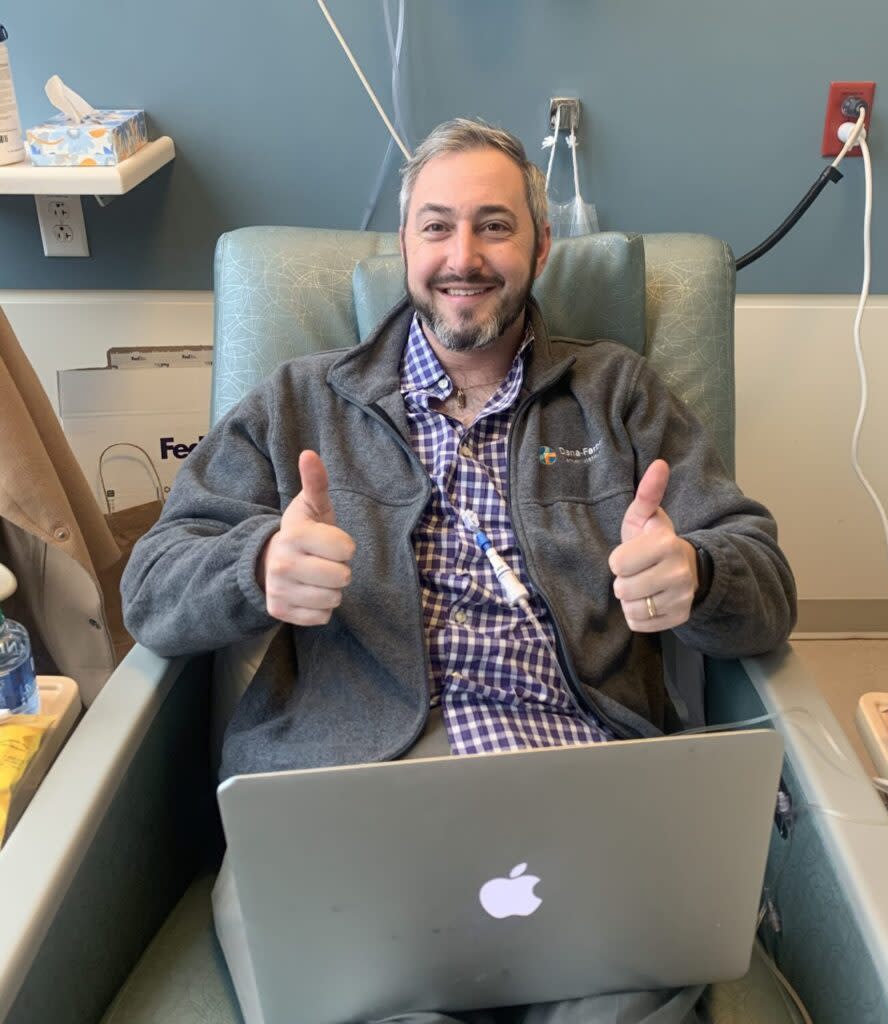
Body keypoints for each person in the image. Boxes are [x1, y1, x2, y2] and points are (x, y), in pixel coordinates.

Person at [121, 118, 797, 1024]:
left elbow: (765, 579)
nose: (463, 255)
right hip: (350, 792)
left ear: (541, 245)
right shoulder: (299, 402)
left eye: (495, 224)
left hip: (582, 788)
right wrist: (256, 570)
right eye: (436, 225)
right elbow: (152, 587)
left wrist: (699, 576)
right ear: (404, 244)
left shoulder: (619, 395)